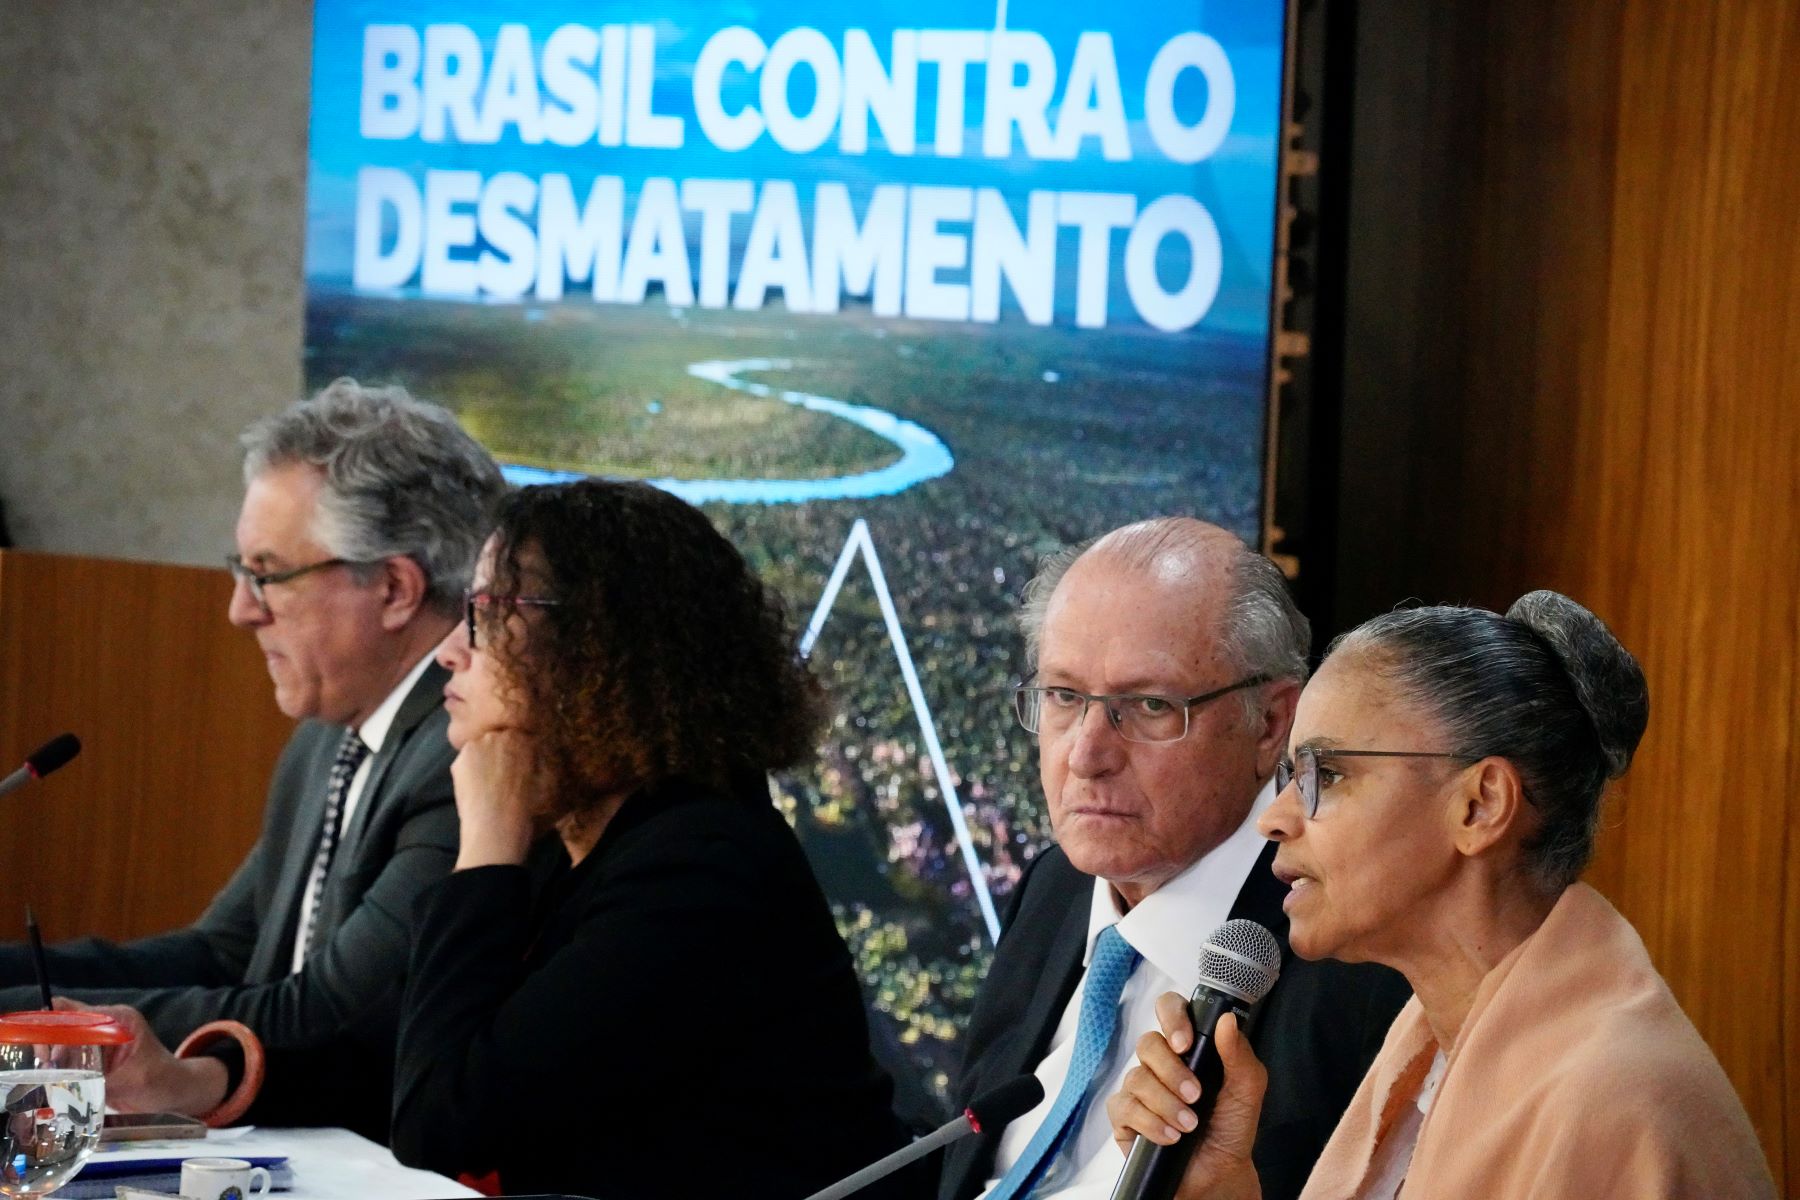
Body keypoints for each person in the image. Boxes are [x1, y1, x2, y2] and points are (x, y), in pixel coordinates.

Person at [1107, 591, 1777, 1199]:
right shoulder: (1433, 1043)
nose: (1274, 817)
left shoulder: (1615, 1107)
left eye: (1328, 774)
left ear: (1480, 805)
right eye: (1290, 773)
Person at [0, 379, 505, 1139]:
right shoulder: (328, 732)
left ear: (396, 588)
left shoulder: (463, 756)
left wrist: (33, 1021)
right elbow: (227, 953)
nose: (241, 608)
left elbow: (328, 1011)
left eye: (268, 573)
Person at [387, 479, 911, 1199]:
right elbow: (399, 1047)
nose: (451, 650)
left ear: (598, 651)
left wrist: (484, 852)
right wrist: (212, 1074)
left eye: (486, 614)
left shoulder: (698, 869)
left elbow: (444, 1123)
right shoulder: (583, 836)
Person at [940, 519, 1411, 1200]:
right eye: (1065, 698)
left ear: (1272, 723)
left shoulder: (1361, 965)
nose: (1086, 755)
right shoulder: (1056, 887)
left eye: (1150, 705)